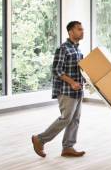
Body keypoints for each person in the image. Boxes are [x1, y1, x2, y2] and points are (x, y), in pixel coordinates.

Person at [32, 21, 86, 158]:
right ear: (70, 32)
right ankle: (40, 139)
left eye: (82, 29)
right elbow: (56, 70)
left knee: (75, 120)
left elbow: (79, 71)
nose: (82, 31)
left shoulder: (78, 50)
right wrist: (72, 82)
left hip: (78, 91)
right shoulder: (63, 48)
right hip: (66, 91)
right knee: (66, 119)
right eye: (79, 29)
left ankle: (68, 147)